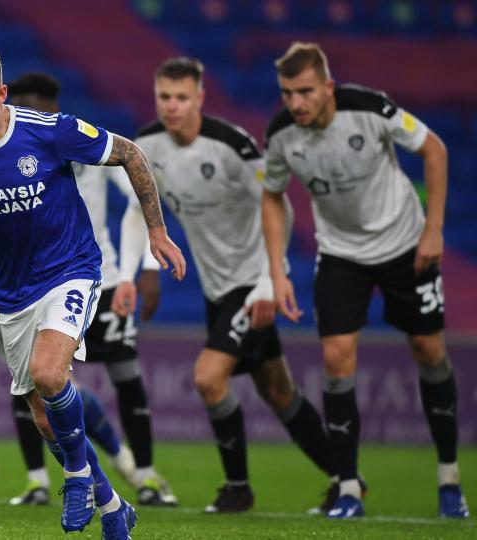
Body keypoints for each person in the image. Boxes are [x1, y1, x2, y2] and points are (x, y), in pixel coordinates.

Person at [0, 45, 185, 539]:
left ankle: (77, 477)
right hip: (13, 290)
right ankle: (114, 507)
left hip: (72, 269)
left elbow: (131, 154)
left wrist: (157, 233)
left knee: (49, 374)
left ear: (0, 93)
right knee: (41, 412)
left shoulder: (48, 130)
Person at [114, 56, 339, 514]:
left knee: (207, 377)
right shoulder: (147, 147)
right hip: (217, 289)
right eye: (164, 97)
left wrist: (267, 281)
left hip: (252, 282)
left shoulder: (231, 145)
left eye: (181, 98)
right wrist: (130, 275)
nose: (172, 106)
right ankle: (346, 476)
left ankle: (238, 486)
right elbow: (138, 211)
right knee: (278, 392)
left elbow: (278, 206)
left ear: (200, 98)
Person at [260, 42, 468, 519]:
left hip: (404, 246)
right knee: (336, 358)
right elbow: (271, 196)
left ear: (328, 87)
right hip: (341, 254)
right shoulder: (281, 135)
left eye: (306, 91)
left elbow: (434, 150)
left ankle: (449, 478)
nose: (296, 103)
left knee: (429, 351)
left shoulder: (371, 108)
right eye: (288, 93)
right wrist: (278, 269)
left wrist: (433, 230)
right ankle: (349, 486)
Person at [0, 71, 177, 508]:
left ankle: (146, 475)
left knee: (126, 378)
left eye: (34, 110)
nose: (25, 120)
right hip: (33, 285)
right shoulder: (4, 152)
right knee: (35, 385)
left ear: (52, 111)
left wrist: (145, 268)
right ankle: (39, 480)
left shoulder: (80, 141)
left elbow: (138, 193)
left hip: (101, 278)